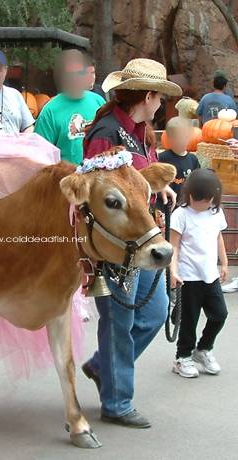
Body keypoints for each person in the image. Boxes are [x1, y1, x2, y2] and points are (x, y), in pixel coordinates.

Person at [81, 58, 182, 428]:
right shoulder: (106, 132)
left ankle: (102, 367)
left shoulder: (141, 132)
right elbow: (100, 192)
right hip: (117, 244)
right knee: (118, 324)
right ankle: (117, 402)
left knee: (153, 314)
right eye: (160, 97)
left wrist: (157, 186)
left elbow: (134, 182)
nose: (162, 104)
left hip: (142, 239)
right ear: (148, 96)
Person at [170, 169, 228, 378]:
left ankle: (203, 349)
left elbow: (218, 237)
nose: (197, 203)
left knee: (220, 315)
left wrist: (224, 262)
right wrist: (173, 271)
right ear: (188, 194)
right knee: (189, 321)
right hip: (188, 277)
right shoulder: (181, 214)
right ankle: (182, 357)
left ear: (213, 198)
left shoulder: (216, 213)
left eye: (202, 200)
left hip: (210, 276)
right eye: (194, 198)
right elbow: (173, 246)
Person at [34, 50, 105, 164]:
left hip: (98, 172)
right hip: (66, 174)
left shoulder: (98, 101)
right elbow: (40, 156)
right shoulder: (50, 111)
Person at [158, 117, 200, 203]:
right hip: (167, 203)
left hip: (186, 204)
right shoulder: (162, 158)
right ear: (169, 139)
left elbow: (197, 182)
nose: (183, 140)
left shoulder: (193, 159)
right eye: (178, 137)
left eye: (186, 136)